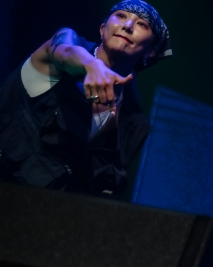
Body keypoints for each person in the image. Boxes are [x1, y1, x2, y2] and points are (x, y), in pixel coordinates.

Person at [0, 0, 171, 197]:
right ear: (102, 29)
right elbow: (64, 50)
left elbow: (102, 188)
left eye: (142, 24)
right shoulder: (67, 43)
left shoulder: (134, 121)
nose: (128, 25)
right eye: (121, 16)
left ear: (151, 51)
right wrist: (92, 65)